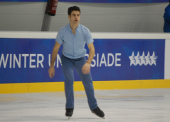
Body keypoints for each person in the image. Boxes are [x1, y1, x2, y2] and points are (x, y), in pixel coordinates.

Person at [48, 6, 105, 119]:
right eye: (74, 15)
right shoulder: (63, 31)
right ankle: (69, 107)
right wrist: (52, 66)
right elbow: (55, 49)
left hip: (81, 59)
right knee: (69, 79)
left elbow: (92, 49)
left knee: (88, 82)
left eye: (78, 15)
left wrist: (88, 62)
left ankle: (94, 107)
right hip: (67, 59)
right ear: (69, 16)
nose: (76, 17)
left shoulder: (85, 31)